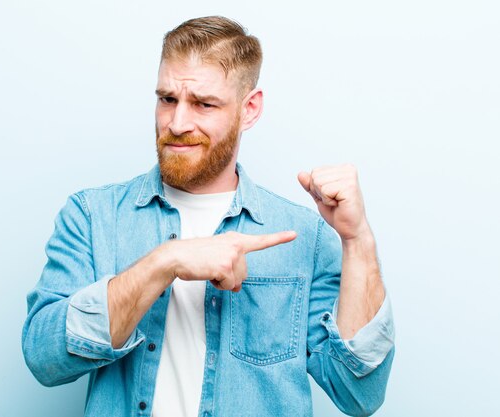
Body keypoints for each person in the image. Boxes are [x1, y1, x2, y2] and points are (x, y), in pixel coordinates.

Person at [22, 16, 395, 417]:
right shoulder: (93, 216)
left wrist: (357, 242)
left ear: (249, 109)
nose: (177, 123)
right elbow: (44, 358)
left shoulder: (304, 236)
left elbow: (359, 395)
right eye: (167, 99)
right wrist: (165, 261)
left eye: (203, 104)